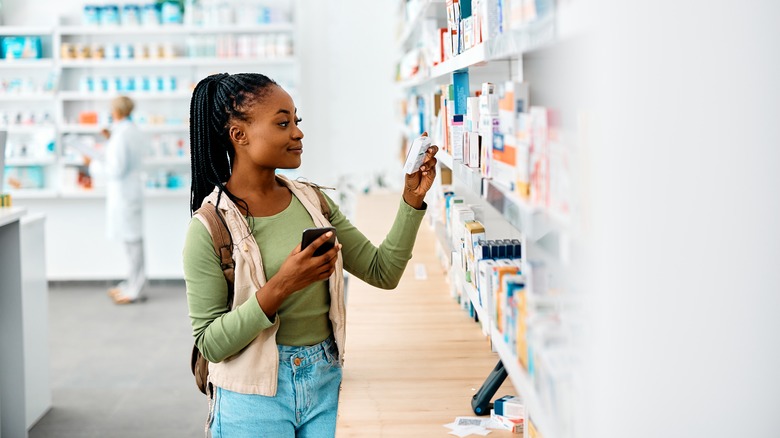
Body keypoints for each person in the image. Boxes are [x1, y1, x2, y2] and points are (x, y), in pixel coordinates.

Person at [183, 72, 438, 437]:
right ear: (239, 135)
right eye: (283, 123)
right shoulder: (209, 228)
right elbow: (210, 342)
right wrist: (283, 285)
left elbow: (384, 271)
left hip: (325, 382)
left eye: (296, 122)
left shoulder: (313, 202)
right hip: (252, 398)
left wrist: (412, 198)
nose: (297, 133)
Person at [98, 96, 148, 305]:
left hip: (125, 194)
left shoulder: (121, 135)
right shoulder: (129, 131)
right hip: (130, 192)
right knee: (130, 243)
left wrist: (92, 163)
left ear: (116, 111)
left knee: (133, 243)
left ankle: (136, 288)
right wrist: (110, 139)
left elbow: (115, 169)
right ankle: (131, 283)